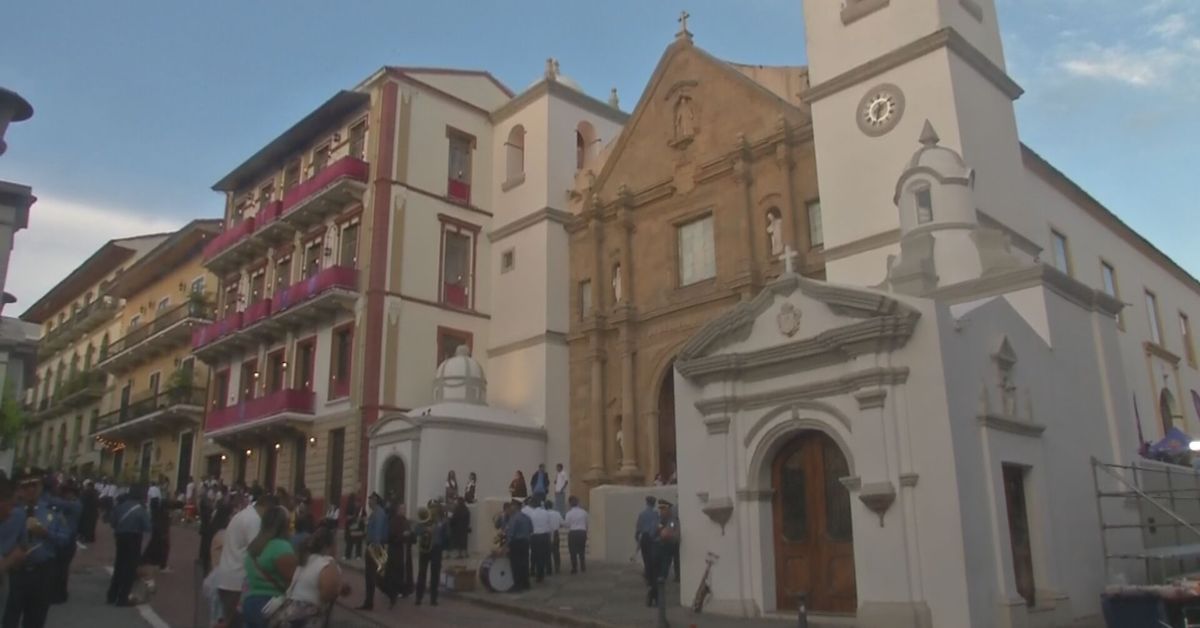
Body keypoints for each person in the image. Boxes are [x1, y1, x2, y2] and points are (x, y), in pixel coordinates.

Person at [5, 468, 71, 627]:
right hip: (16, 572)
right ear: (19, 489)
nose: (30, 490)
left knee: (36, 617)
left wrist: (46, 533)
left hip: (42, 571)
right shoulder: (10, 511)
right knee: (9, 616)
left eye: (34, 485)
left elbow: (65, 539)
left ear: (41, 486)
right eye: (25, 486)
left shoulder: (52, 511)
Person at [213, 493, 280, 628]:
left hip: (228, 576)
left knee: (228, 621)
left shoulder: (243, 515)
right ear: (268, 508)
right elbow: (258, 552)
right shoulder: (254, 521)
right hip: (238, 580)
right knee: (234, 622)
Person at [242, 506, 297, 628]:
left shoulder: (254, 546)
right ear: (284, 525)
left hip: (249, 602)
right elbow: (293, 581)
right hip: (270, 605)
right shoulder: (281, 547)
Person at [280, 527, 347, 627]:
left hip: (290, 611)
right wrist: (338, 589)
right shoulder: (327, 563)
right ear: (330, 546)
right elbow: (327, 595)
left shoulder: (306, 559)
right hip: (307, 617)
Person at [106, 489, 150, 607]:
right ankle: (122, 598)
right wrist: (142, 549)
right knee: (130, 570)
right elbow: (147, 529)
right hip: (134, 538)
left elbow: (112, 523)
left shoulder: (120, 507)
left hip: (120, 537)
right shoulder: (141, 510)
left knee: (119, 566)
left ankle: (111, 595)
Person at [46, 482, 81, 605]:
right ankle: (59, 593)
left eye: (67, 492)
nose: (65, 495)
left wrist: (46, 495)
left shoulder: (74, 505)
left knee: (60, 569)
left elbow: (55, 503)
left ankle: (59, 594)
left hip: (68, 540)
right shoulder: (69, 505)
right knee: (59, 568)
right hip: (64, 538)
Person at [357, 493, 390, 610]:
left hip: (375, 547)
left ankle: (390, 592)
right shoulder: (374, 513)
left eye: (369, 500)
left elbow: (377, 532)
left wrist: (375, 549)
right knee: (371, 575)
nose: (368, 502)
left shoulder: (379, 513)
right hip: (372, 546)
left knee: (375, 576)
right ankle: (369, 601)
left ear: (375, 500)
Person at [646, 499, 680, 607]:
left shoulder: (672, 521)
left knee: (662, 575)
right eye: (660, 509)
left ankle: (653, 594)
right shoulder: (657, 520)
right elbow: (651, 534)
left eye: (664, 509)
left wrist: (667, 534)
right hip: (656, 550)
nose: (662, 512)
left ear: (669, 510)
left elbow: (675, 536)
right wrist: (660, 531)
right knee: (655, 575)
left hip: (666, 551)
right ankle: (655, 596)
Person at [413, 506, 447, 606]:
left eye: (435, 509)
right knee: (422, 573)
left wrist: (438, 528)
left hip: (436, 549)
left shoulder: (442, 523)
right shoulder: (423, 522)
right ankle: (418, 598)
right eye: (431, 509)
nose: (433, 512)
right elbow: (416, 531)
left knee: (435, 574)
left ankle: (433, 599)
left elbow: (445, 536)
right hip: (424, 549)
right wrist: (425, 529)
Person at [140, 497, 170, 592]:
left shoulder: (152, 511)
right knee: (153, 555)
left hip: (153, 536)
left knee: (150, 553)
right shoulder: (161, 514)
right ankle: (149, 580)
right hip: (157, 536)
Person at [385, 503, 413, 603]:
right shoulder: (393, 521)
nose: (404, 510)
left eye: (405, 508)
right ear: (397, 510)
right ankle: (396, 590)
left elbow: (411, 536)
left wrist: (410, 535)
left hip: (405, 549)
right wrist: (402, 535)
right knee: (396, 571)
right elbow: (391, 536)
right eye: (402, 508)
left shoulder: (406, 521)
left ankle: (406, 589)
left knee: (405, 571)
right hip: (396, 550)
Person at [504, 499, 532, 592]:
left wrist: (507, 545)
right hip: (525, 542)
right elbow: (531, 529)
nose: (511, 507)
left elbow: (511, 533)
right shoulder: (526, 517)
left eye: (512, 505)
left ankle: (517, 585)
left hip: (516, 543)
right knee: (524, 563)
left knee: (516, 564)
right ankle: (526, 583)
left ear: (516, 507)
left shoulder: (514, 518)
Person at [634, 495, 658, 592]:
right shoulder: (656, 514)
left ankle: (648, 576)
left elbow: (638, 527)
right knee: (652, 558)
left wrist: (637, 537)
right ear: (654, 503)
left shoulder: (642, 514)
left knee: (645, 557)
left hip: (644, 537)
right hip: (653, 538)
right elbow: (657, 526)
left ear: (647, 503)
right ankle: (651, 576)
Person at [564, 496, 589, 574]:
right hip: (582, 532)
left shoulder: (569, 513)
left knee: (573, 551)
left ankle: (574, 567)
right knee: (582, 550)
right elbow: (587, 523)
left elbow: (567, 524)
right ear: (578, 503)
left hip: (573, 532)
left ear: (570, 504)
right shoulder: (584, 512)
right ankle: (583, 566)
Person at [77, 480, 99, 545]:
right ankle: (91, 538)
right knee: (91, 525)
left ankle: (85, 537)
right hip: (93, 512)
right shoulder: (95, 492)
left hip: (86, 511)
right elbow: (97, 502)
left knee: (86, 525)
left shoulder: (85, 492)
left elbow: (81, 501)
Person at [545, 500, 563, 575]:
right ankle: (557, 567)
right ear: (552, 506)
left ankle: (548, 569)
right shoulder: (557, 513)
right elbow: (562, 523)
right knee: (556, 551)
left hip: (547, 534)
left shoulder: (544, 514)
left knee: (547, 552)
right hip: (555, 533)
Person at [343, 493, 363, 561]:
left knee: (352, 541)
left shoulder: (358, 508)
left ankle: (349, 555)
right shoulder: (356, 507)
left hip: (353, 526)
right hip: (355, 526)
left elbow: (346, 516)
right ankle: (356, 555)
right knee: (355, 541)